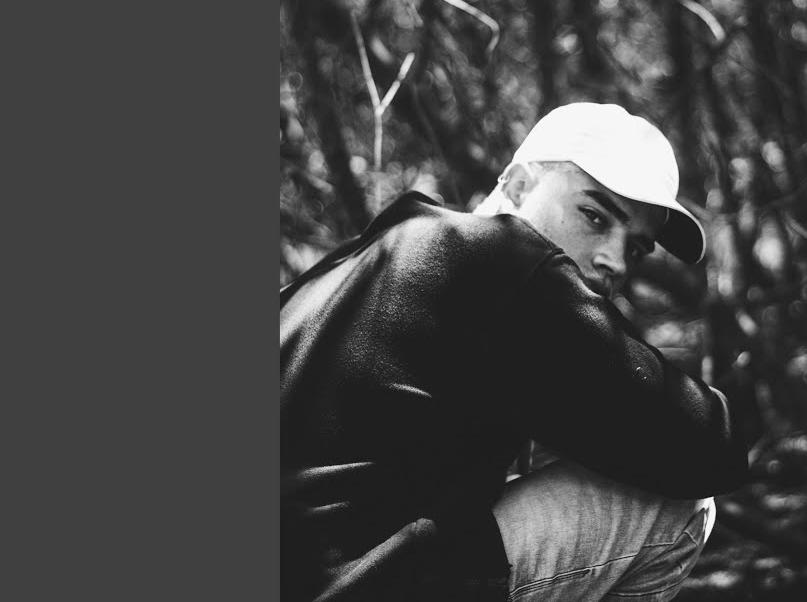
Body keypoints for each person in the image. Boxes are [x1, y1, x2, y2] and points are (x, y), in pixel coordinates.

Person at [281, 102, 754, 602]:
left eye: (635, 248)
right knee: (674, 508)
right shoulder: (501, 260)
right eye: (594, 216)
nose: (615, 261)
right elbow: (712, 445)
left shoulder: (349, 267)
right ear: (519, 185)